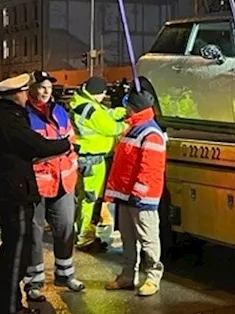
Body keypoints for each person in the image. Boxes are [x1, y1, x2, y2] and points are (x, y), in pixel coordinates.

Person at [0, 73, 72, 314]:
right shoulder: (9, 119)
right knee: (16, 250)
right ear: (16, 94)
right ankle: (9, 306)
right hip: (15, 191)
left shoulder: (1, 115)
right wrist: (64, 145)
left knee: (11, 249)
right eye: (25, 91)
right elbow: (36, 145)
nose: (27, 95)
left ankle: (0, 303)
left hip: (9, 188)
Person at [24, 71, 83, 297]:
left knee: (66, 226)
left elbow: (71, 141)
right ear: (31, 89)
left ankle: (65, 273)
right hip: (37, 183)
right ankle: (34, 281)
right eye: (41, 87)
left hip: (63, 180)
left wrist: (73, 161)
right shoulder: (24, 115)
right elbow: (31, 150)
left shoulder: (59, 111)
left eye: (49, 87)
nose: (46, 91)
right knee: (34, 231)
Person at [106, 89, 167, 297]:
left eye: (128, 105)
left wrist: (139, 193)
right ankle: (127, 276)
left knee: (148, 239)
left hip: (141, 198)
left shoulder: (150, 133)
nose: (125, 108)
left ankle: (152, 277)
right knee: (128, 238)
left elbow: (150, 168)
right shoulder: (135, 128)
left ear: (134, 107)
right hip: (127, 195)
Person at [70, 76, 127, 251]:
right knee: (90, 200)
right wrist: (128, 125)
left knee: (86, 199)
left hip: (90, 159)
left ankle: (82, 232)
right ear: (98, 93)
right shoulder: (90, 109)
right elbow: (110, 128)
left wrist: (120, 112)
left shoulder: (83, 102)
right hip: (93, 160)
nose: (104, 97)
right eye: (103, 94)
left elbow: (105, 113)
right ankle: (84, 238)